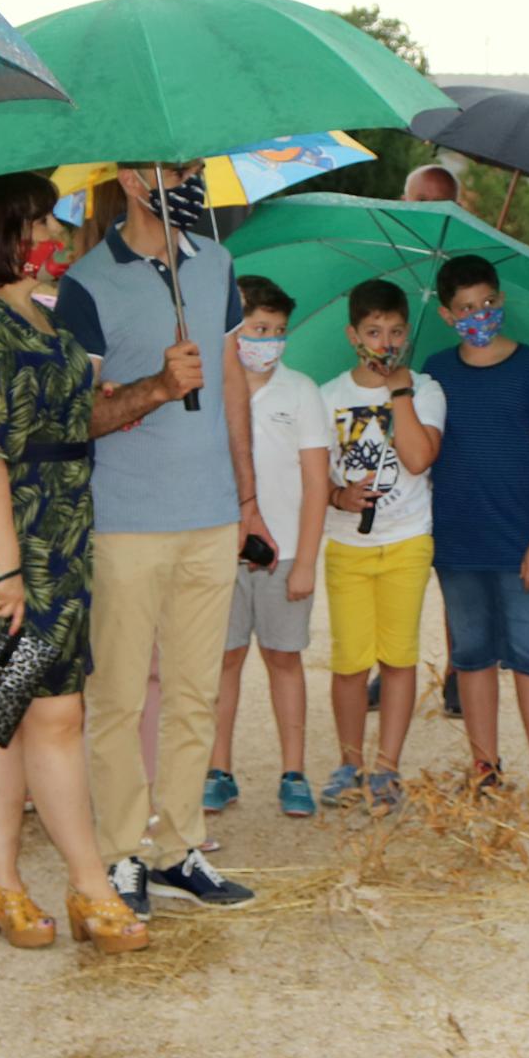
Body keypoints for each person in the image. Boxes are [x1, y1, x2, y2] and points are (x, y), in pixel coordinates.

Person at [0, 173, 146, 959]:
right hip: (1, 546)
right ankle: (70, 884)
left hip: (52, 539)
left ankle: (12, 883)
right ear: (2, 234)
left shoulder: (35, 315)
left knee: (33, 710)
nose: (54, 232)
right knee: (25, 708)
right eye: (40, 222)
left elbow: (50, 414)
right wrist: (7, 567)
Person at [57, 163, 264, 922]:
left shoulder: (218, 264)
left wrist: (248, 501)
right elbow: (74, 415)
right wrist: (156, 386)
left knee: (194, 693)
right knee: (116, 698)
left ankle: (179, 848)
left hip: (210, 516)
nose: (186, 180)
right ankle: (120, 853)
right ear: (130, 178)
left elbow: (233, 382)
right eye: (171, 169)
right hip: (124, 521)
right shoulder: (86, 283)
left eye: (193, 168)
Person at [424, 254, 529, 810]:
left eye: (488, 303)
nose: (479, 315)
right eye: (466, 308)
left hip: (521, 545)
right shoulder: (433, 373)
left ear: (501, 300)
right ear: (446, 315)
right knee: (472, 656)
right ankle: (484, 768)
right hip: (458, 543)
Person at [207, 275, 330, 820]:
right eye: (258, 329)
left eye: (278, 331)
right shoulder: (210, 389)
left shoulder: (301, 390)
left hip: (285, 557)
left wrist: (306, 563)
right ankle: (218, 769)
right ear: (233, 331)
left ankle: (294, 772)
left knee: (284, 658)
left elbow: (316, 483)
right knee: (224, 660)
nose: (270, 342)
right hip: (220, 551)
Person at [321, 278, 446, 810]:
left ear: (407, 336)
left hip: (407, 541)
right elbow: (316, 478)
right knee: (350, 661)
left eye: (395, 332)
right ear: (353, 335)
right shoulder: (327, 396)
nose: (385, 343)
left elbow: (417, 459)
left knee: (398, 658)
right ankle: (349, 763)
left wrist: (400, 393)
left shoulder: (426, 389)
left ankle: (387, 768)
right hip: (346, 545)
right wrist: (338, 496)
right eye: (373, 332)